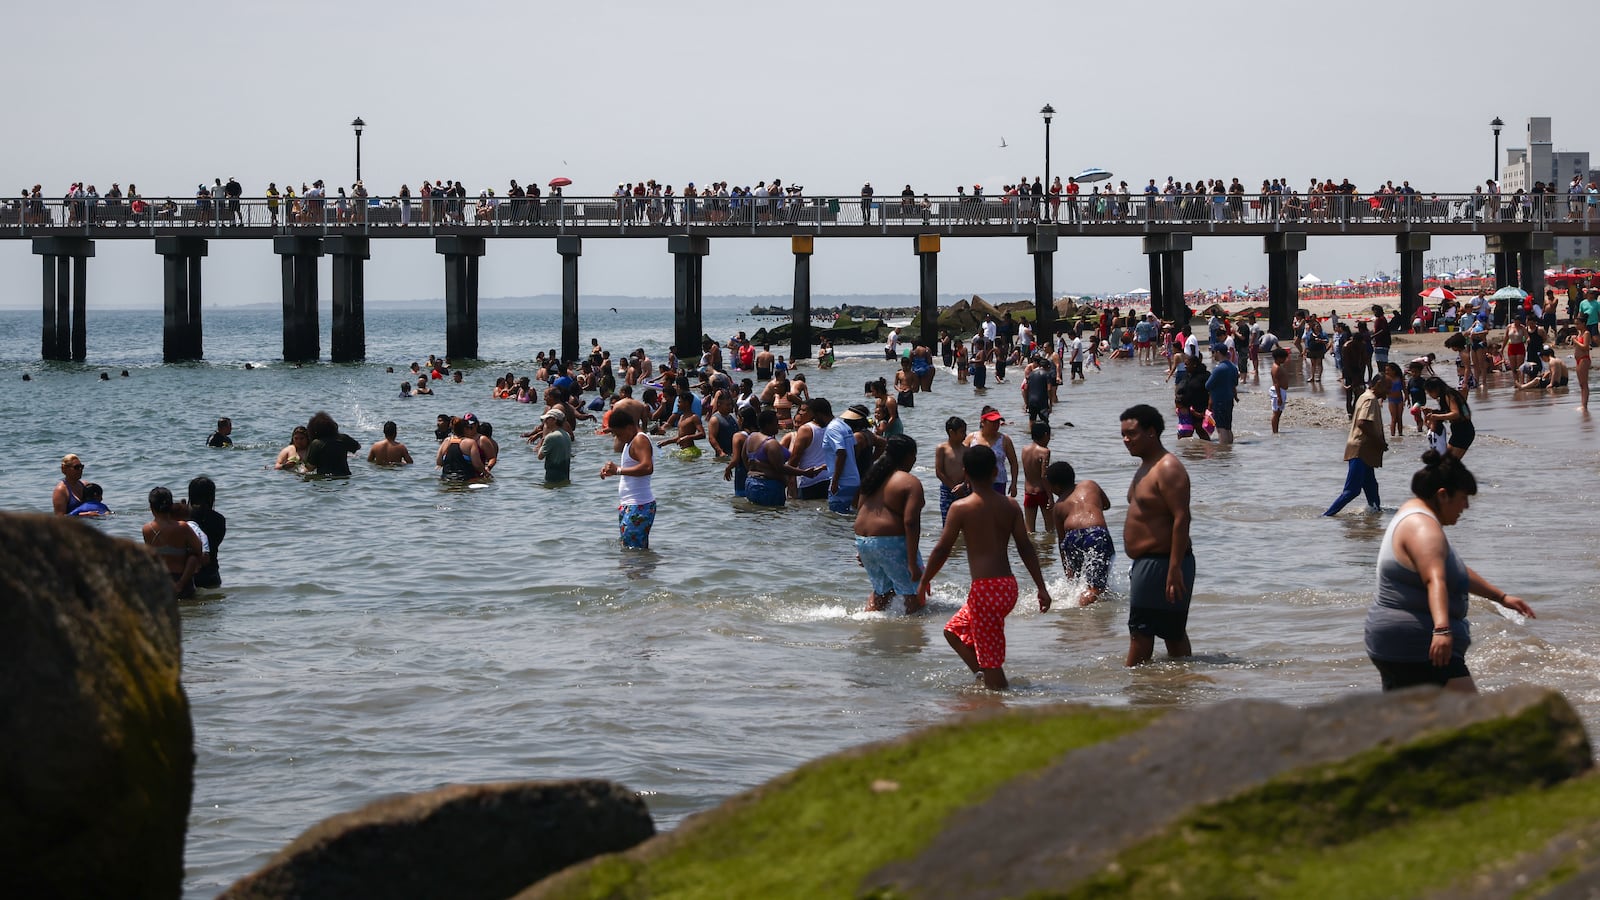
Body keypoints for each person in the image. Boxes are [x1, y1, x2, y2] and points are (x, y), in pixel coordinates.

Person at [1364, 451, 1535, 692]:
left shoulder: (1416, 514)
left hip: (1402, 642)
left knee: (1418, 722)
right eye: (1464, 498)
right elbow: (1436, 579)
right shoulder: (1423, 527)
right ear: (1443, 495)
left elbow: (1451, 569)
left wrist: (1501, 597)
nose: (1465, 507)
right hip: (1417, 645)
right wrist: (1442, 630)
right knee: (1469, 717)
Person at [916, 445, 1052, 690]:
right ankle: (986, 677)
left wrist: (925, 579)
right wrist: (1041, 587)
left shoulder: (961, 508)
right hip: (1006, 588)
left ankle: (998, 699)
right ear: (995, 471)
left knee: (992, 660)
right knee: (954, 631)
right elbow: (1026, 548)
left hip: (985, 591)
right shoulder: (1010, 505)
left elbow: (942, 549)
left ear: (965, 473)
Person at [1119, 404, 1194, 666]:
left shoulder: (1167, 468)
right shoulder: (1146, 466)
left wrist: (1174, 568)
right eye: (1123, 435)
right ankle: (1182, 684)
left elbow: (1182, 517)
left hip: (1162, 563)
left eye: (1132, 434)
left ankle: (1133, 693)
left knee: (1141, 634)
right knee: (1172, 634)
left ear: (1151, 432)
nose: (1126, 440)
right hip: (1153, 563)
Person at [854, 435, 926, 613]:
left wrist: (860, 550)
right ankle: (912, 638)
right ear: (909, 456)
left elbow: (861, 510)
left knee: (882, 592)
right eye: (914, 456)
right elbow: (910, 523)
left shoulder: (873, 476)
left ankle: (869, 626)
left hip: (864, 541)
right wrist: (912, 563)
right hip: (891, 543)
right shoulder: (909, 482)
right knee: (914, 594)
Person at [1046, 461, 1114, 607]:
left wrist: (1067, 570)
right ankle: (1081, 611)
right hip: (1096, 535)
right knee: (1096, 586)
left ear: (1056, 487)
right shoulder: (1090, 484)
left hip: (1072, 539)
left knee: (1079, 583)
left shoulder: (1058, 506)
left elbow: (1061, 541)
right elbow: (1107, 504)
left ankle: (1083, 604)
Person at [1325, 375, 1390, 516]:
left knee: (1371, 486)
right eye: (1387, 387)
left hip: (1365, 451)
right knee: (1352, 491)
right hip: (1360, 449)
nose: (1389, 391)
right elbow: (1362, 423)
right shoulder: (1370, 399)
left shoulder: (1364, 396)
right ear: (1378, 384)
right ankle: (1327, 516)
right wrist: (1379, 442)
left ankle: (1375, 513)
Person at [741, 409, 826, 508]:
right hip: (768, 487)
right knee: (773, 518)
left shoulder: (751, 437)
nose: (778, 425)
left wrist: (755, 469)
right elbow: (780, 468)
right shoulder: (771, 444)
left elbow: (744, 457)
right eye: (775, 423)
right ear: (768, 425)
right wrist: (804, 472)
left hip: (751, 483)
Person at [600, 409, 655, 549]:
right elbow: (632, 469)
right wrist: (612, 471)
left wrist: (618, 470)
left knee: (634, 552)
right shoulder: (630, 441)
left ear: (630, 427)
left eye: (618, 433)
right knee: (630, 551)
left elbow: (648, 467)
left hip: (639, 505)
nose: (618, 438)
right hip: (630, 505)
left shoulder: (640, 439)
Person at [142, 486, 203, 599]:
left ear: (151, 507)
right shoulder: (182, 527)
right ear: (171, 505)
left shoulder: (146, 529)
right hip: (181, 580)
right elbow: (199, 549)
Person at [824, 404, 867, 514]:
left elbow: (842, 454)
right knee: (849, 513)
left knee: (835, 517)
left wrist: (835, 482)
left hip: (842, 481)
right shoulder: (853, 431)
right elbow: (851, 454)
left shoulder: (856, 435)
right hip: (855, 478)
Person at [186, 476, 226, 589]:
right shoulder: (219, 519)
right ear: (211, 496)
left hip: (188, 575)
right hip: (212, 575)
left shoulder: (184, 519)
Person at [967, 409, 1018, 497]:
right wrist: (965, 481)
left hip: (998, 482)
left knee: (996, 509)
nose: (996, 425)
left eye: (998, 422)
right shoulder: (971, 438)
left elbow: (1013, 463)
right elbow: (962, 460)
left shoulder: (1004, 439)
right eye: (993, 422)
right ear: (983, 422)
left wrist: (1014, 484)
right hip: (975, 482)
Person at [1423, 377, 1474, 458]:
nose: (1429, 395)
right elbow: (1450, 412)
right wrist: (1432, 411)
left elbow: (1455, 414)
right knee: (1446, 461)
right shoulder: (1449, 394)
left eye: (1429, 392)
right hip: (1459, 429)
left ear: (1436, 389)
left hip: (1464, 430)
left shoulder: (1449, 395)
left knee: (1449, 463)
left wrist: (1436, 416)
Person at [934, 417, 969, 524]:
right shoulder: (942, 448)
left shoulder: (966, 449)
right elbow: (939, 472)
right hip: (947, 490)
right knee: (948, 521)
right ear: (951, 432)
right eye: (962, 432)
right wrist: (953, 487)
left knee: (966, 522)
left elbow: (969, 470)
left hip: (964, 489)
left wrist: (964, 484)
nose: (965, 435)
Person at [1019, 422, 1052, 533]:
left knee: (1029, 531)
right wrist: (1051, 497)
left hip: (1028, 493)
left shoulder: (1024, 449)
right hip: (1042, 492)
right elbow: (1044, 476)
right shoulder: (1045, 452)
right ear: (1046, 434)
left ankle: (1032, 549)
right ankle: (1047, 550)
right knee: (1050, 529)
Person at [304, 412, 360, 476]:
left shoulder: (316, 443)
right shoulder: (344, 438)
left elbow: (310, 468)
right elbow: (358, 447)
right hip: (344, 475)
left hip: (325, 478)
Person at [1205, 346, 1238, 445]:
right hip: (1229, 400)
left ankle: (1223, 452)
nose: (1213, 355)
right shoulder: (1233, 367)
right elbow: (1235, 383)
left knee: (1220, 428)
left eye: (1214, 352)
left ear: (1218, 352)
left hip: (1219, 401)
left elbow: (1207, 385)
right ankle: (1229, 449)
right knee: (1228, 427)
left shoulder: (1218, 369)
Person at [535, 409, 571, 484]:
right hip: (565, 476)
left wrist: (543, 439)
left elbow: (540, 456)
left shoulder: (551, 437)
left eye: (547, 419)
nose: (545, 422)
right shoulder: (567, 435)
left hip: (553, 477)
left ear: (554, 420)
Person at [1268, 347, 1289, 433]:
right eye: (1283, 358)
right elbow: (1276, 383)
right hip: (1278, 391)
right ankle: (1275, 431)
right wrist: (1279, 396)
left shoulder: (1278, 366)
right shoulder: (1276, 368)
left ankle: (1276, 430)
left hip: (1281, 391)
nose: (1284, 360)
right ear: (1278, 358)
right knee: (1276, 413)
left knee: (1278, 412)